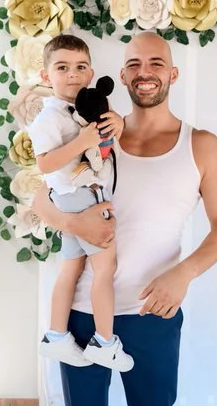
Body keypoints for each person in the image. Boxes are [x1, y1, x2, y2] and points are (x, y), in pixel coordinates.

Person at [23, 33, 217, 406]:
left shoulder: (202, 145)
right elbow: (43, 198)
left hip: (152, 312)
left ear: (173, 74)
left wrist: (184, 273)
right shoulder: (96, 132)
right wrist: (75, 225)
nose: (145, 72)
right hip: (82, 314)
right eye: (134, 64)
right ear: (121, 77)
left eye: (156, 63)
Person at [27, 35, 132, 372]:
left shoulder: (95, 106)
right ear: (47, 76)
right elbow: (44, 164)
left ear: (91, 74)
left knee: (70, 268)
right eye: (62, 68)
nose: (72, 74)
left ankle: (56, 337)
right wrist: (84, 141)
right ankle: (104, 342)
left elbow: (114, 133)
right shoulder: (48, 118)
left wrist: (119, 122)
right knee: (105, 269)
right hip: (79, 197)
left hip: (77, 195)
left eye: (79, 67)